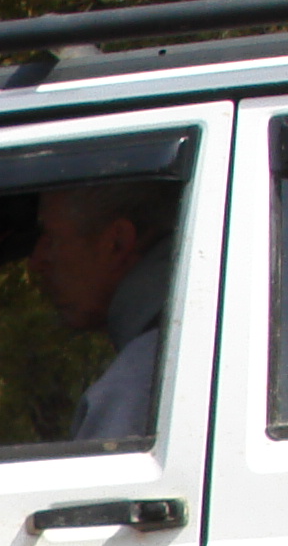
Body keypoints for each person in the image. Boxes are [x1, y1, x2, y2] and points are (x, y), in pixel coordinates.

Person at [29, 182, 181, 440]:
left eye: (52, 239)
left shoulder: (138, 384)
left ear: (117, 243)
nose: (36, 262)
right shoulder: (175, 351)